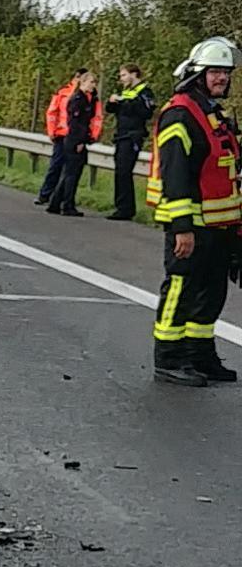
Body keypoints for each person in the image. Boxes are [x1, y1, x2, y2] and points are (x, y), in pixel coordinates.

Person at [146, 37, 242, 387]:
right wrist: (182, 227)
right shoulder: (181, 114)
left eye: (226, 72)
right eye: (215, 71)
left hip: (219, 227)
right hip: (191, 226)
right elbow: (176, 176)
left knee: (211, 292)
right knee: (181, 290)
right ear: (197, 74)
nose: (222, 78)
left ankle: (200, 356)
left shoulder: (212, 113)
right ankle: (168, 359)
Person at [36, 69, 99, 204]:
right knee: (56, 166)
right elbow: (52, 112)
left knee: (70, 170)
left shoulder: (91, 96)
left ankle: (58, 200)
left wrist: (92, 136)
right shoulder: (63, 92)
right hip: (61, 134)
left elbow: (95, 118)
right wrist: (52, 131)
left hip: (75, 136)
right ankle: (45, 195)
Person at [105, 64, 157, 221]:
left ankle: (125, 209)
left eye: (124, 75)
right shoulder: (126, 92)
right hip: (121, 135)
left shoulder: (144, 92)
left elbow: (146, 112)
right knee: (120, 172)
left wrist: (123, 103)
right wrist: (113, 101)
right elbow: (110, 109)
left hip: (133, 136)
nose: (121, 79)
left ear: (134, 74)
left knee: (124, 171)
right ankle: (121, 207)